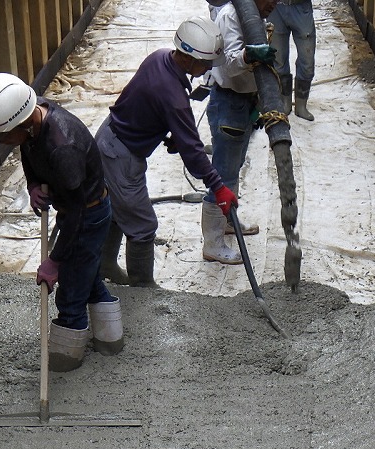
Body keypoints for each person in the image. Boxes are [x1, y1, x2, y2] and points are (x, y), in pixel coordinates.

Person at [0, 73, 123, 372]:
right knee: (86, 276)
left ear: (25, 124)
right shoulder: (33, 114)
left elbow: (77, 216)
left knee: (70, 292)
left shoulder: (62, 148)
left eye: (3, 135)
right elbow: (27, 152)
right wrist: (33, 184)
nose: (0, 142)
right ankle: (110, 340)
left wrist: (54, 261)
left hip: (87, 215)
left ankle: (65, 362)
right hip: (77, 210)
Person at [95, 16, 244, 283]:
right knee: (142, 225)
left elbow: (144, 101)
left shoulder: (159, 57)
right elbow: (193, 151)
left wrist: (168, 129)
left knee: (120, 211)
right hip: (120, 155)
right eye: (206, 62)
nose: (208, 67)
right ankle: (143, 290)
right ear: (188, 57)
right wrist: (218, 186)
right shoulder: (173, 97)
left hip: (111, 137)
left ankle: (105, 266)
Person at [205, 0, 278, 263]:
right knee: (222, 176)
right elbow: (229, 65)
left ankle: (226, 221)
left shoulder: (254, 14)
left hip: (243, 102)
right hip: (229, 102)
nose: (275, 4)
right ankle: (213, 244)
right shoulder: (229, 16)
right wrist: (249, 56)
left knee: (232, 170)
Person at [268, 0, 316, 121]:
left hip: (301, 6)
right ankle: (285, 101)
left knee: (307, 59)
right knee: (278, 58)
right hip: (276, 7)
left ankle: (301, 105)